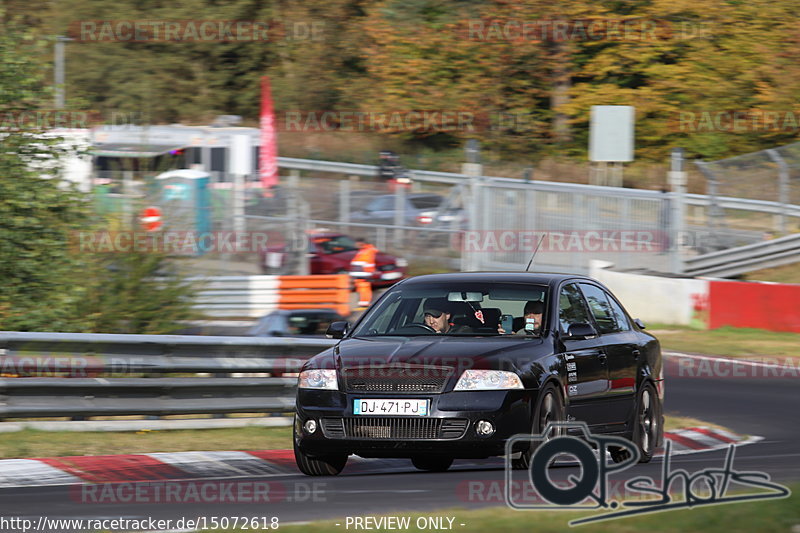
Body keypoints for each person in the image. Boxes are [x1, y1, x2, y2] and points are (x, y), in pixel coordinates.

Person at [350, 238, 377, 308]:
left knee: (364, 289)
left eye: (357, 243)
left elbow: (367, 264)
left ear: (361, 243)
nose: (355, 245)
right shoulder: (363, 251)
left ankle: (365, 303)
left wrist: (367, 274)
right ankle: (363, 303)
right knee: (362, 289)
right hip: (361, 274)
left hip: (363, 274)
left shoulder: (367, 251)